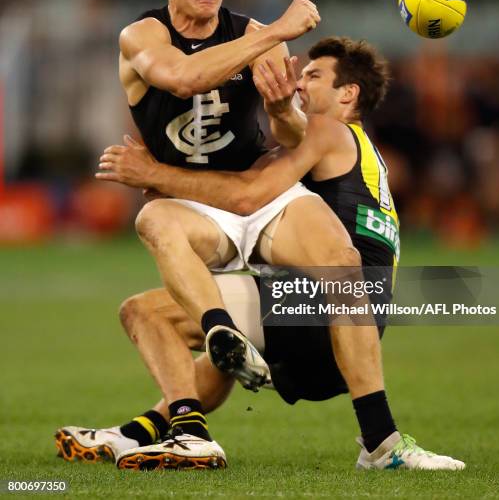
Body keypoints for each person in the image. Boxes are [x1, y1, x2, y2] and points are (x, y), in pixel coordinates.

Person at [56, 37, 465, 471]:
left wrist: (155, 173)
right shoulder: (361, 152)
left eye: (313, 75)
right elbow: (234, 189)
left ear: (349, 94)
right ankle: (135, 434)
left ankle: (383, 444)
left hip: (324, 311)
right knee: (224, 339)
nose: (300, 83)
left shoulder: (328, 131)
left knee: (147, 314)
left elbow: (247, 196)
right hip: (349, 333)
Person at [114, 0, 324, 388]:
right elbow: (182, 79)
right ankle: (219, 340)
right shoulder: (143, 34)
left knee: (341, 272)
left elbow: (296, 137)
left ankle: (375, 425)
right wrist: (276, 30)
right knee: (154, 230)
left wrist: (280, 112)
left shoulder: (253, 36)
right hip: (193, 206)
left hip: (258, 192)